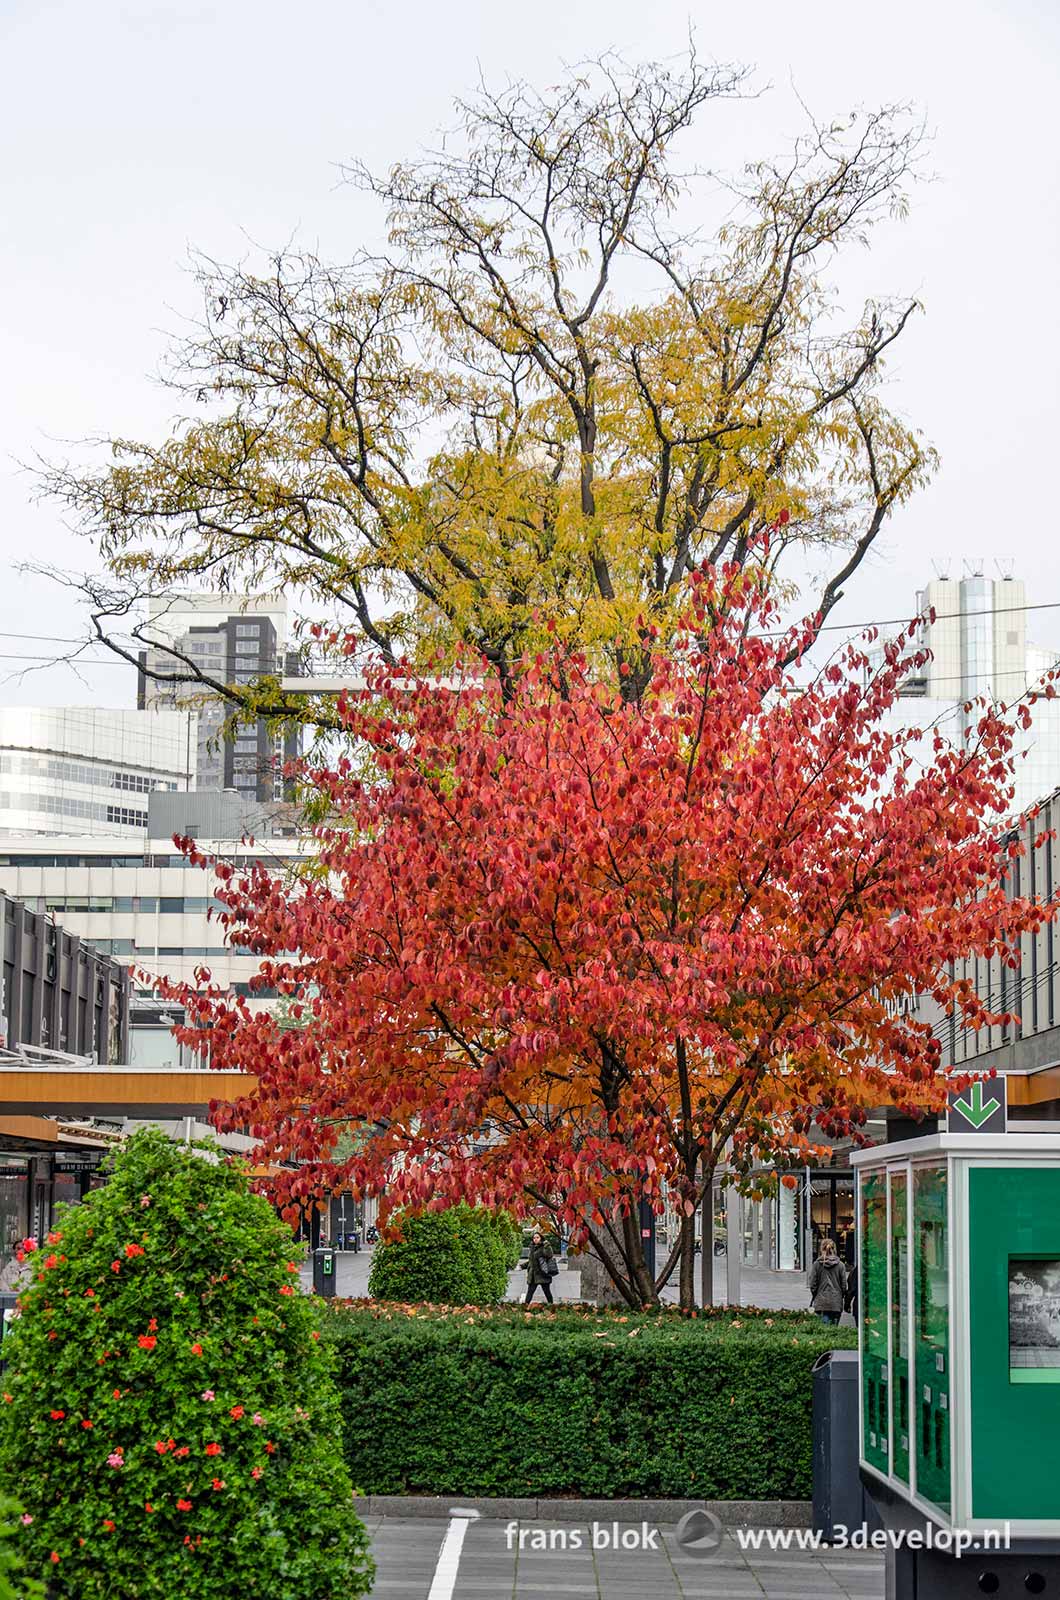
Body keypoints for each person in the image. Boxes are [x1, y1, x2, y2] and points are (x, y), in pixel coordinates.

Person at [808, 1238, 848, 1325]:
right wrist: (841, 1295)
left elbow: (812, 1284)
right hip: (836, 1303)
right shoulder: (841, 1265)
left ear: (821, 1249)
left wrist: (816, 1295)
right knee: (834, 1331)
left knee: (824, 1332)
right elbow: (844, 1285)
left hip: (821, 1303)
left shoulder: (817, 1264)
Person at [524, 1230, 557, 1305]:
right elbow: (531, 1262)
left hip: (543, 1274)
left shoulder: (545, 1247)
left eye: (537, 1237)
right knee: (530, 1292)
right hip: (533, 1275)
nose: (535, 1239)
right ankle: (525, 1307)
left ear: (541, 1238)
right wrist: (522, 1266)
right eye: (534, 1238)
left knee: (547, 1292)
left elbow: (549, 1255)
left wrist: (547, 1245)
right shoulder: (532, 1248)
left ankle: (551, 1306)